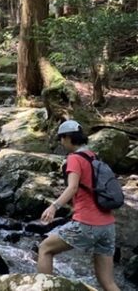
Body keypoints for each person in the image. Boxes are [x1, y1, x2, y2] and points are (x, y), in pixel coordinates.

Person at [38, 120, 120, 291]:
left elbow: (72, 187)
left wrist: (54, 206)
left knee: (45, 248)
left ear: (68, 137)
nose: (61, 142)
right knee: (108, 282)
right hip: (108, 225)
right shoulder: (92, 156)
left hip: (87, 223)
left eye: (61, 138)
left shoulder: (74, 158)